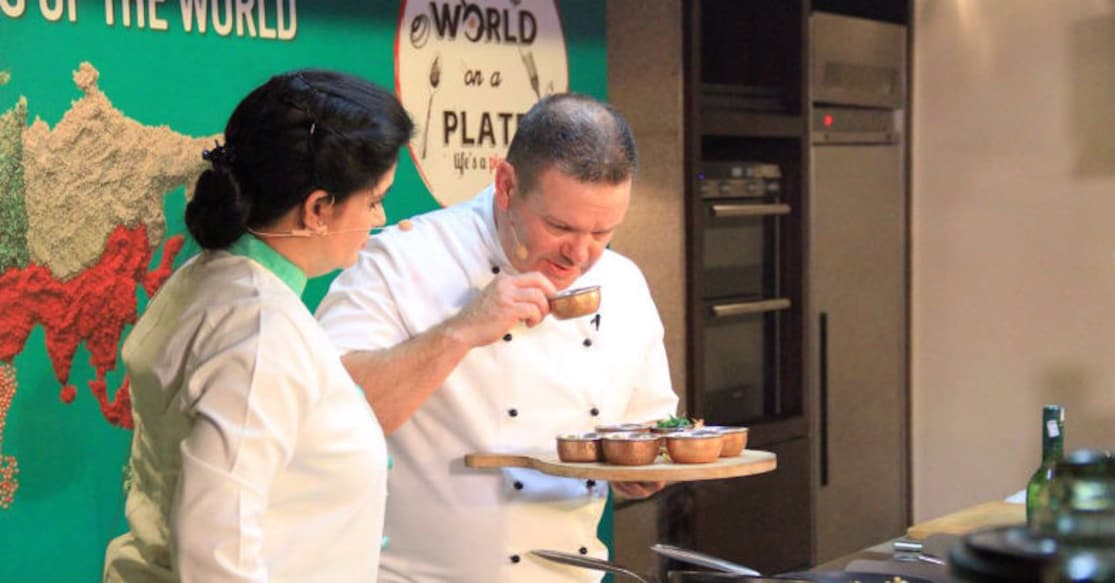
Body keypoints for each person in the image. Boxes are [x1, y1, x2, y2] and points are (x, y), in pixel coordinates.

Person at [315, 93, 679, 582]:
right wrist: (461, 330)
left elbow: (646, 430)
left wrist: (645, 475)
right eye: (559, 226)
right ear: (505, 184)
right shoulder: (400, 260)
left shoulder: (624, 282)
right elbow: (321, 418)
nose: (580, 254)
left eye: (603, 232)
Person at [103, 69, 413, 582]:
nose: (380, 219)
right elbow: (214, 554)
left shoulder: (212, 280)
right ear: (318, 208)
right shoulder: (259, 332)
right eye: (375, 200)